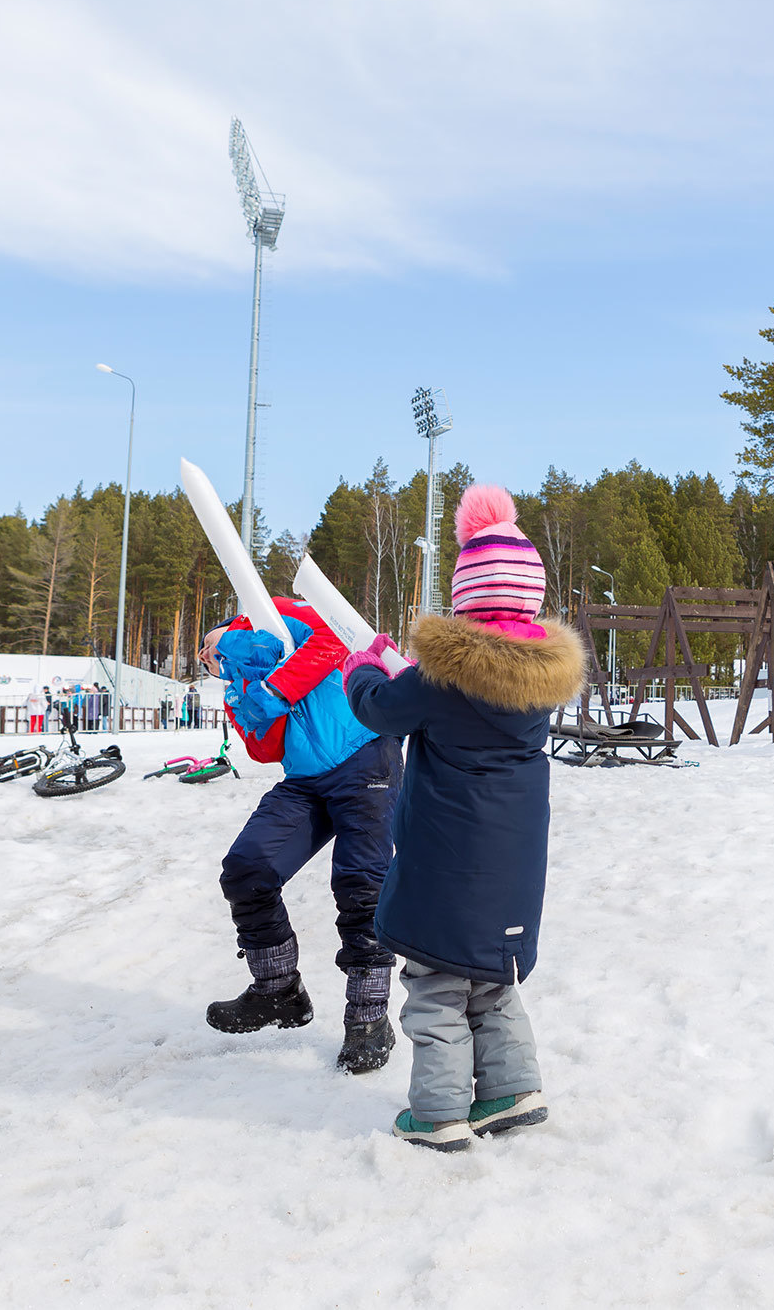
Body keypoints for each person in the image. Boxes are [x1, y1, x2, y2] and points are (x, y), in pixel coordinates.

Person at [341, 485, 584, 1151]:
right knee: (492, 977)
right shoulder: (540, 683)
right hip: (513, 872)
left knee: (437, 983)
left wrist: (363, 667)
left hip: (444, 866)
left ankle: (439, 1110)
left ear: (465, 598)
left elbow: (381, 709)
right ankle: (512, 1089)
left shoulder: (443, 675)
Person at [202, 596, 402, 1075]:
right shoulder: (240, 680)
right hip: (304, 780)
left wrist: (238, 647)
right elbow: (266, 750)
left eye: (206, 647)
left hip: (365, 756)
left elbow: (333, 641)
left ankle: (369, 1018)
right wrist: (248, 692)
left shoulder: (272, 612)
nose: (205, 658)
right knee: (248, 869)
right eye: (207, 663)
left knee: (361, 886)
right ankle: (278, 991)